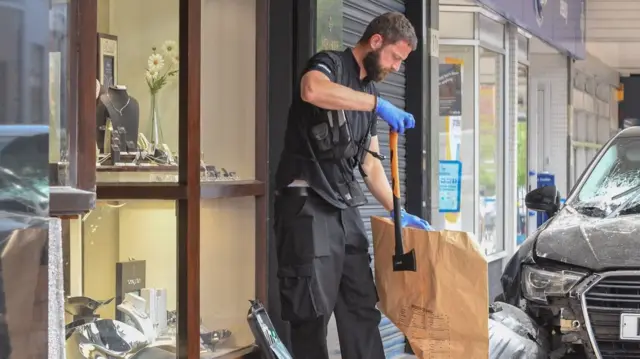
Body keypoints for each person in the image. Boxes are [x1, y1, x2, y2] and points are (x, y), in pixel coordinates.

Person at [273, 12, 431, 359]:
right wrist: (377, 104)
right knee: (311, 313)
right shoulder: (329, 64)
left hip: (344, 208)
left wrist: (398, 211)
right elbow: (312, 89)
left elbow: (370, 163)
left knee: (361, 304)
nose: (397, 67)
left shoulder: (367, 90)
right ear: (376, 42)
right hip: (307, 205)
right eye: (395, 57)